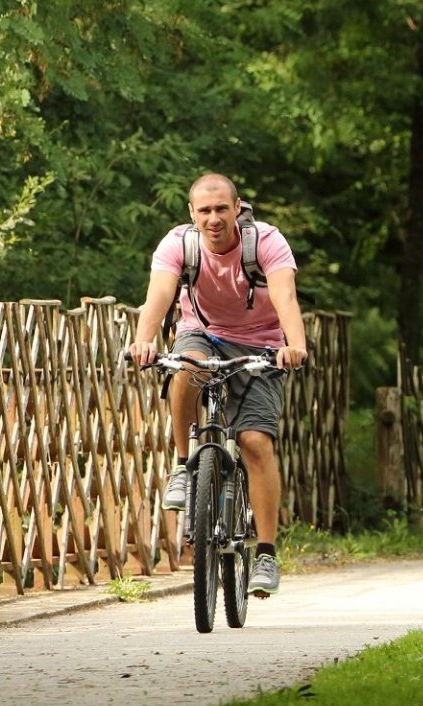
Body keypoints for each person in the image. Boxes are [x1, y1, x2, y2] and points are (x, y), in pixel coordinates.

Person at [127, 173, 308, 596]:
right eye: (204, 211)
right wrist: (143, 341)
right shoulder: (179, 244)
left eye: (221, 209)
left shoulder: (265, 241)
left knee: (255, 442)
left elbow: (286, 297)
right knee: (188, 365)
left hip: (261, 344)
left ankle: (265, 553)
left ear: (237, 207)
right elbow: (159, 295)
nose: (213, 219)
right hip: (202, 333)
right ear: (192, 213)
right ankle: (182, 465)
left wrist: (294, 346)